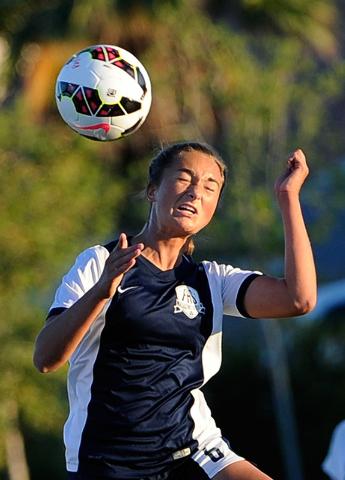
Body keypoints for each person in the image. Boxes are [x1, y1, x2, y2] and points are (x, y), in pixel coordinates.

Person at [33, 142, 317, 480]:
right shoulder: (99, 262)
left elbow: (298, 300)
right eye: (184, 178)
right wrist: (101, 291)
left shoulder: (212, 280)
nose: (196, 192)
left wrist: (288, 197)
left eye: (210, 186)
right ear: (153, 190)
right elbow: (45, 358)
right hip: (107, 460)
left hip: (192, 450)